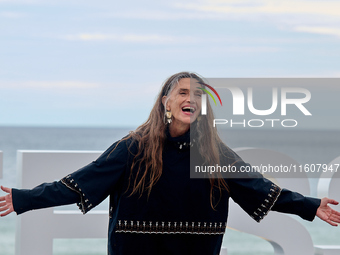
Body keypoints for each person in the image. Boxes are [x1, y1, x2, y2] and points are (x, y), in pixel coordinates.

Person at [0, 72, 340, 255]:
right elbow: (82, 183)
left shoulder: (215, 155)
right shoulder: (132, 148)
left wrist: (310, 206)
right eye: (182, 93)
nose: (190, 99)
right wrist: (23, 198)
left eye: (197, 95)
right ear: (166, 101)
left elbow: (259, 189)